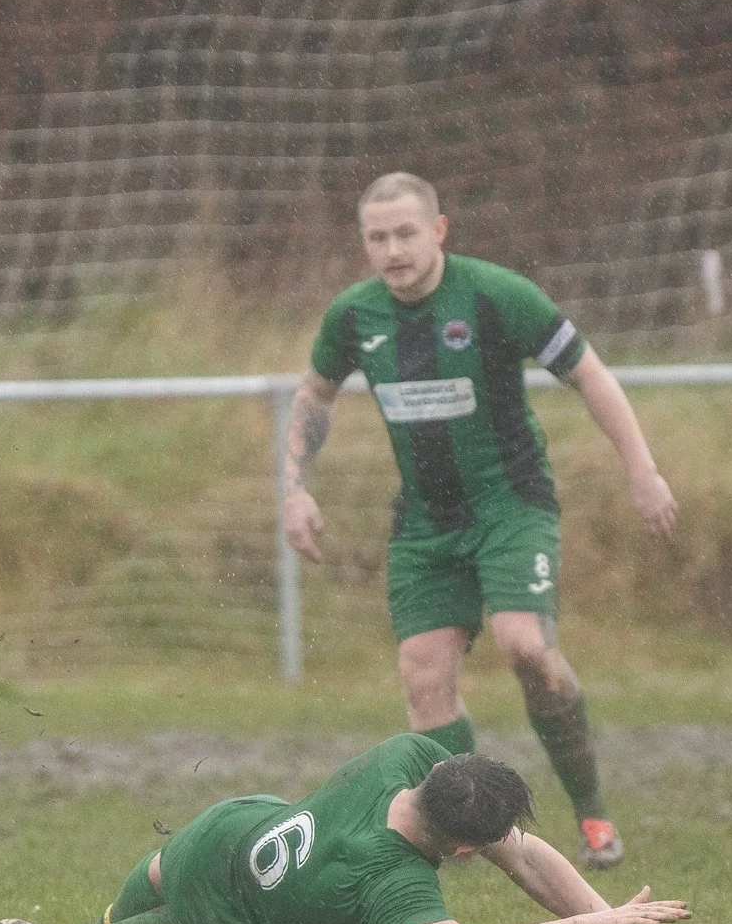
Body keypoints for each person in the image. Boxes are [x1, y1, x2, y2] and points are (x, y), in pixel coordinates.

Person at [282, 173, 677, 871]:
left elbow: (591, 374)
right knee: (423, 677)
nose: (393, 249)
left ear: (439, 230)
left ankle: (590, 811)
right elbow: (314, 395)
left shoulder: (497, 296)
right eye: (378, 237)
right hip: (425, 523)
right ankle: (467, 830)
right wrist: (293, 488)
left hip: (510, 505)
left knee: (522, 644)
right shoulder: (355, 316)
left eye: (406, 233)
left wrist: (642, 471)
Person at [0, 737, 721, 924]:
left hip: (233, 823)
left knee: (132, 920)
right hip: (227, 903)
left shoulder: (402, 758)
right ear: (463, 852)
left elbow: (526, 855)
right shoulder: (389, 880)